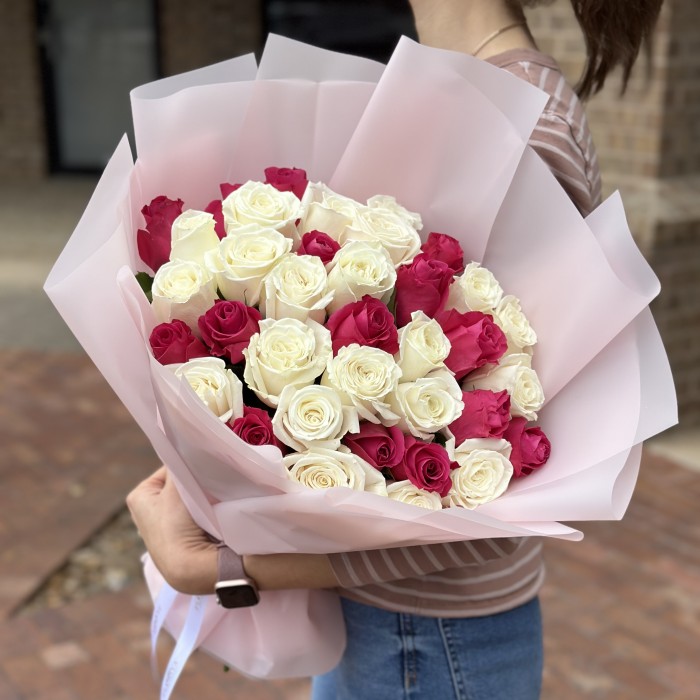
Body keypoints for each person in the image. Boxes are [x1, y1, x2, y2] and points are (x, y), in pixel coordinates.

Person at [127, 1, 663, 697]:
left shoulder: (514, 120)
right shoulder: (475, 90)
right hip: (409, 630)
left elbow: (505, 509)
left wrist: (225, 568)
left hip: (429, 642)